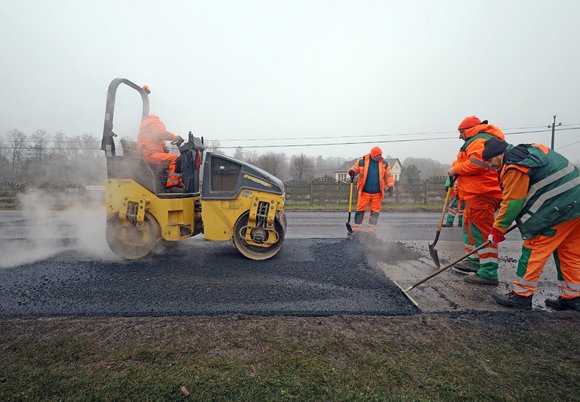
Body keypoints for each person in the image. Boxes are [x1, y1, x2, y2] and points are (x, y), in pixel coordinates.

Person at [480, 138, 580, 310]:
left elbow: (513, 202)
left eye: (489, 161)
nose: (489, 166)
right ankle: (573, 298)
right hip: (575, 206)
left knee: (534, 250)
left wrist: (498, 229)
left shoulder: (514, 165)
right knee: (569, 253)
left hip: (557, 210)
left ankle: (521, 296)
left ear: (499, 154)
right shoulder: (531, 150)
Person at [448, 116, 505, 285]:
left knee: (481, 231)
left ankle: (488, 272)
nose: (460, 136)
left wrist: (455, 169)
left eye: (461, 132)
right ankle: (474, 261)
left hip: (482, 193)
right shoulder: (479, 140)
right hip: (476, 193)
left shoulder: (479, 140)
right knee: (470, 226)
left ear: (469, 129)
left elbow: (477, 164)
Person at [348, 146, 394, 233]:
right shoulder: (362, 162)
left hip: (377, 193)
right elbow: (354, 168)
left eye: (380, 155)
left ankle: (371, 230)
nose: (379, 157)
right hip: (364, 192)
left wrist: (390, 186)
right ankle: (356, 230)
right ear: (372, 155)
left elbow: (388, 176)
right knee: (360, 210)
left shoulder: (385, 164)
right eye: (377, 155)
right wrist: (351, 171)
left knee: (375, 212)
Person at [137, 114, 184, 191]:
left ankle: (178, 183)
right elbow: (161, 134)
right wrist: (175, 137)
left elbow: (155, 140)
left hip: (149, 152)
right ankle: (172, 186)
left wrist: (164, 149)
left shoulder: (147, 126)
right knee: (175, 160)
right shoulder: (155, 123)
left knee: (173, 159)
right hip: (150, 154)